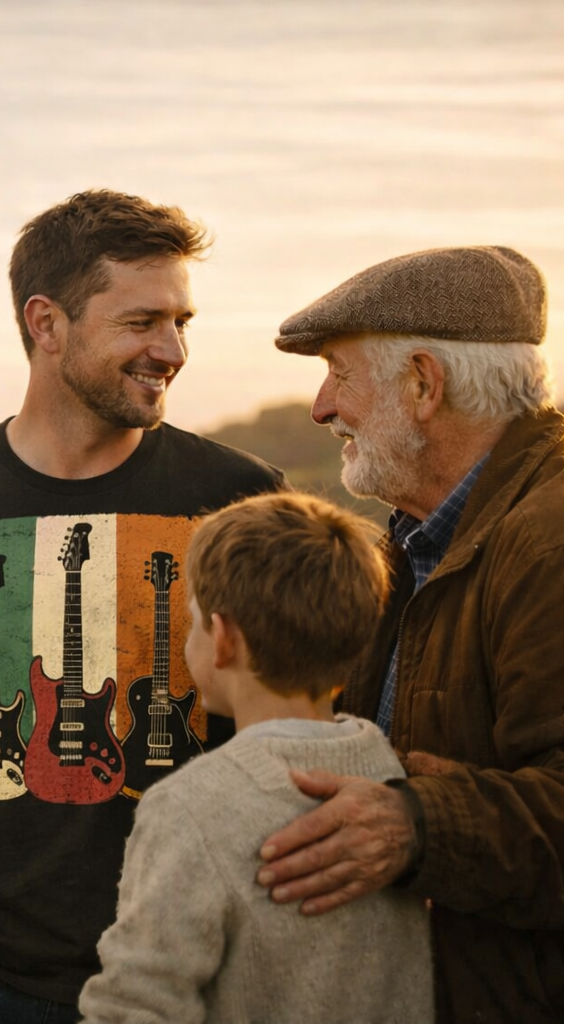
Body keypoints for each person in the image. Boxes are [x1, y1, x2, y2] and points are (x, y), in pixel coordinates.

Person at [0, 189, 285, 1021]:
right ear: (46, 322)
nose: (171, 349)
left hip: (195, 966)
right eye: (142, 322)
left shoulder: (241, 498)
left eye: (183, 322)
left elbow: (295, 729)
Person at [259, 245, 563, 1023]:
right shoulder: (415, 541)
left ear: (424, 384)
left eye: (339, 373)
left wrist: (415, 823)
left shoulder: (550, 535)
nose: (322, 407)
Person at [79, 492, 433, 1024]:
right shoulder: (392, 776)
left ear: (222, 640)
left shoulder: (188, 806)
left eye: (194, 621)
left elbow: (135, 1004)